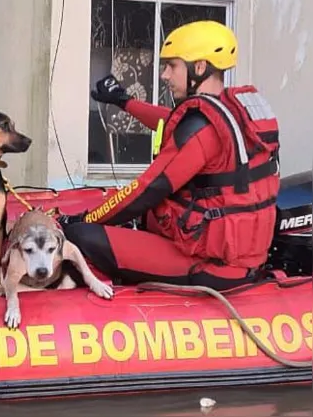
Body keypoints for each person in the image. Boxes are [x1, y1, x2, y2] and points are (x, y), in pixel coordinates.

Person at [59, 20, 280, 290]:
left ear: (199, 67)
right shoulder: (234, 115)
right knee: (139, 219)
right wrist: (123, 101)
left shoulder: (202, 128)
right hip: (240, 259)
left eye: (172, 66)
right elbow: (171, 121)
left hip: (210, 267)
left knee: (80, 235)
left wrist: (83, 218)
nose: (164, 75)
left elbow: (147, 189)